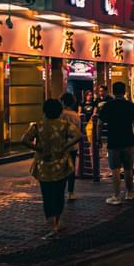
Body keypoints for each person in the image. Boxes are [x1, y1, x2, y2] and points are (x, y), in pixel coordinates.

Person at [22, 99, 79, 240]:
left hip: (44, 165)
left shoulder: (38, 125)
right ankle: (57, 222)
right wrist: (65, 147)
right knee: (59, 194)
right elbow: (78, 136)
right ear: (59, 111)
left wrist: (38, 148)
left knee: (47, 195)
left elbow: (24, 139)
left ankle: (52, 225)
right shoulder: (65, 125)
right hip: (62, 164)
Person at [97, 81, 134, 205]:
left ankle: (116, 196)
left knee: (115, 170)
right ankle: (130, 193)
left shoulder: (108, 106)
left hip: (113, 141)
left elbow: (100, 124)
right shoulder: (130, 106)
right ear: (124, 92)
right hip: (128, 140)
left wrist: (98, 139)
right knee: (128, 169)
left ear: (113, 91)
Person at [60, 93, 83, 200]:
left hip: (61, 145)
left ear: (63, 102)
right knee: (71, 167)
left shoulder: (60, 114)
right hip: (73, 145)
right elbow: (78, 130)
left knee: (61, 168)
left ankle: (61, 190)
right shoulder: (75, 116)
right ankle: (71, 191)